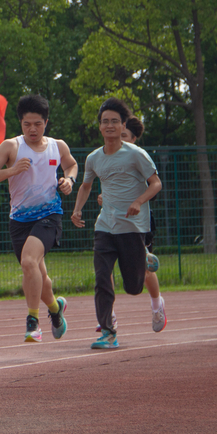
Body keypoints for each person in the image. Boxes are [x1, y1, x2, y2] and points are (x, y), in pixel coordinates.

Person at [0, 94, 77, 343]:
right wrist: (12, 170)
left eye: (37, 124)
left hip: (49, 215)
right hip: (19, 220)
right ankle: (56, 310)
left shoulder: (58, 146)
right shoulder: (11, 146)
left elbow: (72, 165)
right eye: (27, 124)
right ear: (20, 124)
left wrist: (69, 180)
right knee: (38, 275)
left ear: (46, 122)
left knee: (28, 262)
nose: (32, 129)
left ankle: (33, 322)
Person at [71, 98, 162, 349]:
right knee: (102, 278)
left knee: (133, 287)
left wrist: (139, 201)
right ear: (99, 126)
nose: (109, 125)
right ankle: (108, 332)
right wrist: (77, 209)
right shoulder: (93, 158)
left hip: (132, 226)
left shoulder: (136, 154)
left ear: (123, 125)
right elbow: (87, 185)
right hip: (105, 226)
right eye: (105, 121)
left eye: (114, 121)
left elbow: (156, 184)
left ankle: (142, 258)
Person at [95, 117, 167, 333]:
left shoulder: (138, 158)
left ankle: (157, 305)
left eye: (124, 136)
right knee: (104, 269)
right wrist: (103, 197)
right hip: (111, 222)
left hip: (137, 224)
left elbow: (153, 187)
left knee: (143, 271)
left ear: (133, 138)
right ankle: (108, 315)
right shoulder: (104, 156)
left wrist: (137, 201)